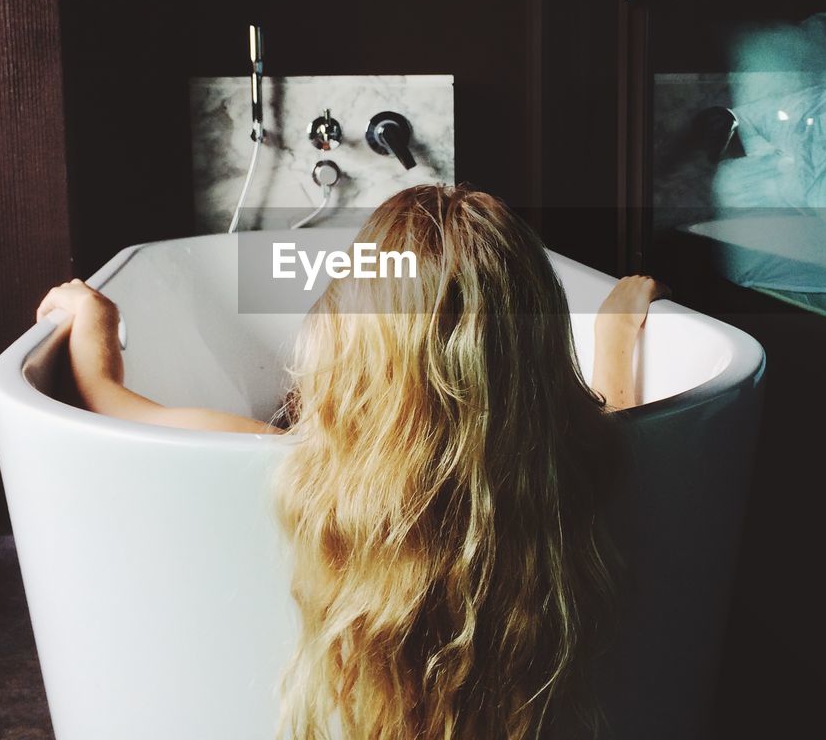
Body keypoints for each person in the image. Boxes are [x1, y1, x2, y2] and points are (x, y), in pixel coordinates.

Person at [37, 184, 669, 739]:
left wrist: (98, 314)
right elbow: (614, 419)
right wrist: (613, 338)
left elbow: (107, 399)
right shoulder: (571, 465)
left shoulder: (301, 469)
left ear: (350, 334)